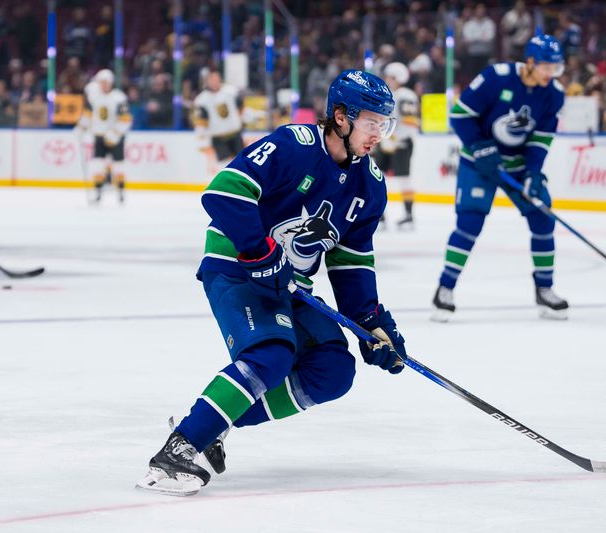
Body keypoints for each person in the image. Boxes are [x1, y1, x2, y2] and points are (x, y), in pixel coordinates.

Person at [137, 70, 407, 496]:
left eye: (384, 123)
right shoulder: (293, 145)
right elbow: (224, 192)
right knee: (272, 353)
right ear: (341, 116)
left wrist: (370, 323)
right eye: (372, 121)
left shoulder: (369, 186)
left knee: (333, 370)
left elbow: (350, 261)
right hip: (237, 265)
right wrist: (259, 253)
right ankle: (178, 451)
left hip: (288, 281)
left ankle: (209, 424)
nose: (379, 133)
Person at [432, 33, 568, 321]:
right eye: (547, 67)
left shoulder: (554, 94)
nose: (551, 74)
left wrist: (532, 173)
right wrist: (481, 149)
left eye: (556, 68)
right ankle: (445, 288)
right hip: (477, 161)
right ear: (530, 62)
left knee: (543, 218)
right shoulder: (497, 77)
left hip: (517, 164)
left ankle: (545, 289)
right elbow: (459, 115)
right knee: (469, 223)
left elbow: (541, 139)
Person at [76, 69, 131, 203]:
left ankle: (121, 192)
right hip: (99, 135)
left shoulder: (119, 97)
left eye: (106, 82)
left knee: (118, 165)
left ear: (111, 82)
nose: (104, 85)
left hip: (115, 137)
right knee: (97, 165)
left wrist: (115, 134)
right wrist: (81, 127)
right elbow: (88, 114)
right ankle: (98, 192)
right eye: (101, 82)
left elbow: (125, 119)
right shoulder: (94, 96)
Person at [375, 62, 419, 229]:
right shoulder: (388, 94)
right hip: (385, 142)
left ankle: (408, 215)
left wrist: (394, 138)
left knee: (404, 179)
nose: (387, 80)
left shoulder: (405, 95)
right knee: (376, 178)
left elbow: (409, 123)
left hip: (400, 143)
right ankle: (380, 216)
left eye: (390, 77)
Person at [192, 71, 245, 172]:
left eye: (216, 79)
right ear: (207, 81)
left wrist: (242, 119)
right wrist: (201, 136)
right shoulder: (202, 99)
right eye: (212, 80)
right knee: (224, 164)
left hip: (235, 133)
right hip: (218, 137)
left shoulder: (231, 91)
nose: (215, 82)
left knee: (242, 160)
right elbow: (200, 120)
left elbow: (241, 106)